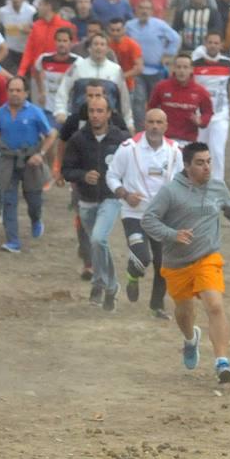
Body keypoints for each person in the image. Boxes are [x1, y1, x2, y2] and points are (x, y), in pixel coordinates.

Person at [141, 141, 230, 384]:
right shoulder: (170, 192)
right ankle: (190, 340)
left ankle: (222, 361)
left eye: (209, 161)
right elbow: (148, 220)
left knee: (215, 305)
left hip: (207, 257)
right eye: (200, 163)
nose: (207, 167)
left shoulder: (218, 187)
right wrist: (172, 234)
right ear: (187, 165)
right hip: (176, 262)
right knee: (184, 312)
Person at [106, 108, 183, 317]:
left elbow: (182, 181)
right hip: (134, 214)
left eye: (159, 122)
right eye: (151, 122)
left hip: (162, 217)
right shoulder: (128, 148)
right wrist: (125, 194)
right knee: (142, 257)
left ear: (166, 126)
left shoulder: (175, 151)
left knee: (163, 263)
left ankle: (157, 306)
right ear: (144, 124)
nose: (155, 127)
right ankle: (133, 275)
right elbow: (111, 176)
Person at [61, 95, 129, 310]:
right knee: (98, 245)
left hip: (111, 198)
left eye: (100, 111)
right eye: (92, 111)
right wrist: (83, 176)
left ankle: (100, 284)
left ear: (109, 114)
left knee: (99, 239)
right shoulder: (78, 139)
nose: (95, 115)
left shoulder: (122, 139)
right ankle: (110, 286)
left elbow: (132, 167)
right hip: (86, 200)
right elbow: (66, 170)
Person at [0, 75, 56, 252]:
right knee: (8, 199)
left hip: (31, 159)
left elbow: (50, 135)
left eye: (18, 90)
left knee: (33, 199)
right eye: (11, 90)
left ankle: (36, 220)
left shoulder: (35, 112)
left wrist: (40, 154)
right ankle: (13, 241)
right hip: (8, 159)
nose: (15, 94)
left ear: (26, 93)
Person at [190, 31, 230, 183]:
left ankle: (217, 184)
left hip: (220, 115)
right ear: (205, 44)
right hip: (199, 116)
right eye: (210, 42)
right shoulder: (195, 64)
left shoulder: (227, 63)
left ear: (221, 45)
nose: (213, 45)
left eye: (216, 43)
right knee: (198, 150)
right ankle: (197, 181)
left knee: (217, 150)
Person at [148, 52, 213, 143]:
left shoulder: (200, 91)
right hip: (164, 139)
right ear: (173, 69)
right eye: (178, 67)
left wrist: (201, 121)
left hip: (188, 140)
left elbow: (208, 112)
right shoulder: (161, 87)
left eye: (185, 67)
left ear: (191, 70)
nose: (182, 71)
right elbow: (151, 107)